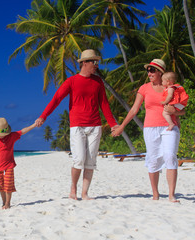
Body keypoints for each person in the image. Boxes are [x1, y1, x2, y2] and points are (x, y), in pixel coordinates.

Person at [35, 49, 119, 200]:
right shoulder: (71, 81)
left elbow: (104, 104)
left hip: (95, 126)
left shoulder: (98, 81)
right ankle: (73, 188)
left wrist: (113, 124)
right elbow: (56, 99)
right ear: (84, 63)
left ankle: (84, 193)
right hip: (77, 125)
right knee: (79, 159)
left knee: (90, 161)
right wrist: (43, 116)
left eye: (97, 62)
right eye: (94, 62)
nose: (96, 65)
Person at [112, 59, 185, 202]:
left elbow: (182, 110)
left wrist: (175, 112)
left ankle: (171, 195)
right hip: (150, 128)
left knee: (170, 156)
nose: (149, 73)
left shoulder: (172, 88)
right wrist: (122, 126)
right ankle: (155, 194)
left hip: (170, 126)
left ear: (160, 72)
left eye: (152, 70)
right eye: (148, 70)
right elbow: (134, 109)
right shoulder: (144, 88)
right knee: (153, 160)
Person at [0, 117, 37, 209]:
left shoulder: (12, 136)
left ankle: (8, 203)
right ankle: (4, 202)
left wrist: (34, 125)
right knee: (1, 186)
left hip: (9, 165)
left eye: (2, 133)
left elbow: (23, 131)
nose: (0, 135)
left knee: (8, 185)